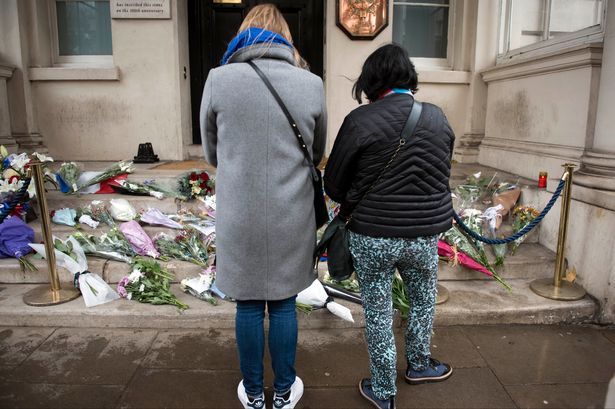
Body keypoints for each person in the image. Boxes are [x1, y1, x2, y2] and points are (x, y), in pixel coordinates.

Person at [200, 4, 326, 409]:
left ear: (243, 33)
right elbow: (318, 151)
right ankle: (285, 390)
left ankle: (254, 394)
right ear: (286, 38)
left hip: (241, 213)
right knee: (285, 302)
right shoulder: (311, 83)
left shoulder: (219, 80)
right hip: (292, 212)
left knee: (250, 303)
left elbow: (210, 151)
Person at [324, 44, 454, 409]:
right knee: (424, 301)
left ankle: (383, 390)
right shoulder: (438, 118)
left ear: (371, 80)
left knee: (378, 310)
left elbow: (333, 185)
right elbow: (443, 171)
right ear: (408, 76)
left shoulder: (359, 121)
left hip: (373, 236)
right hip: (424, 235)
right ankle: (420, 364)